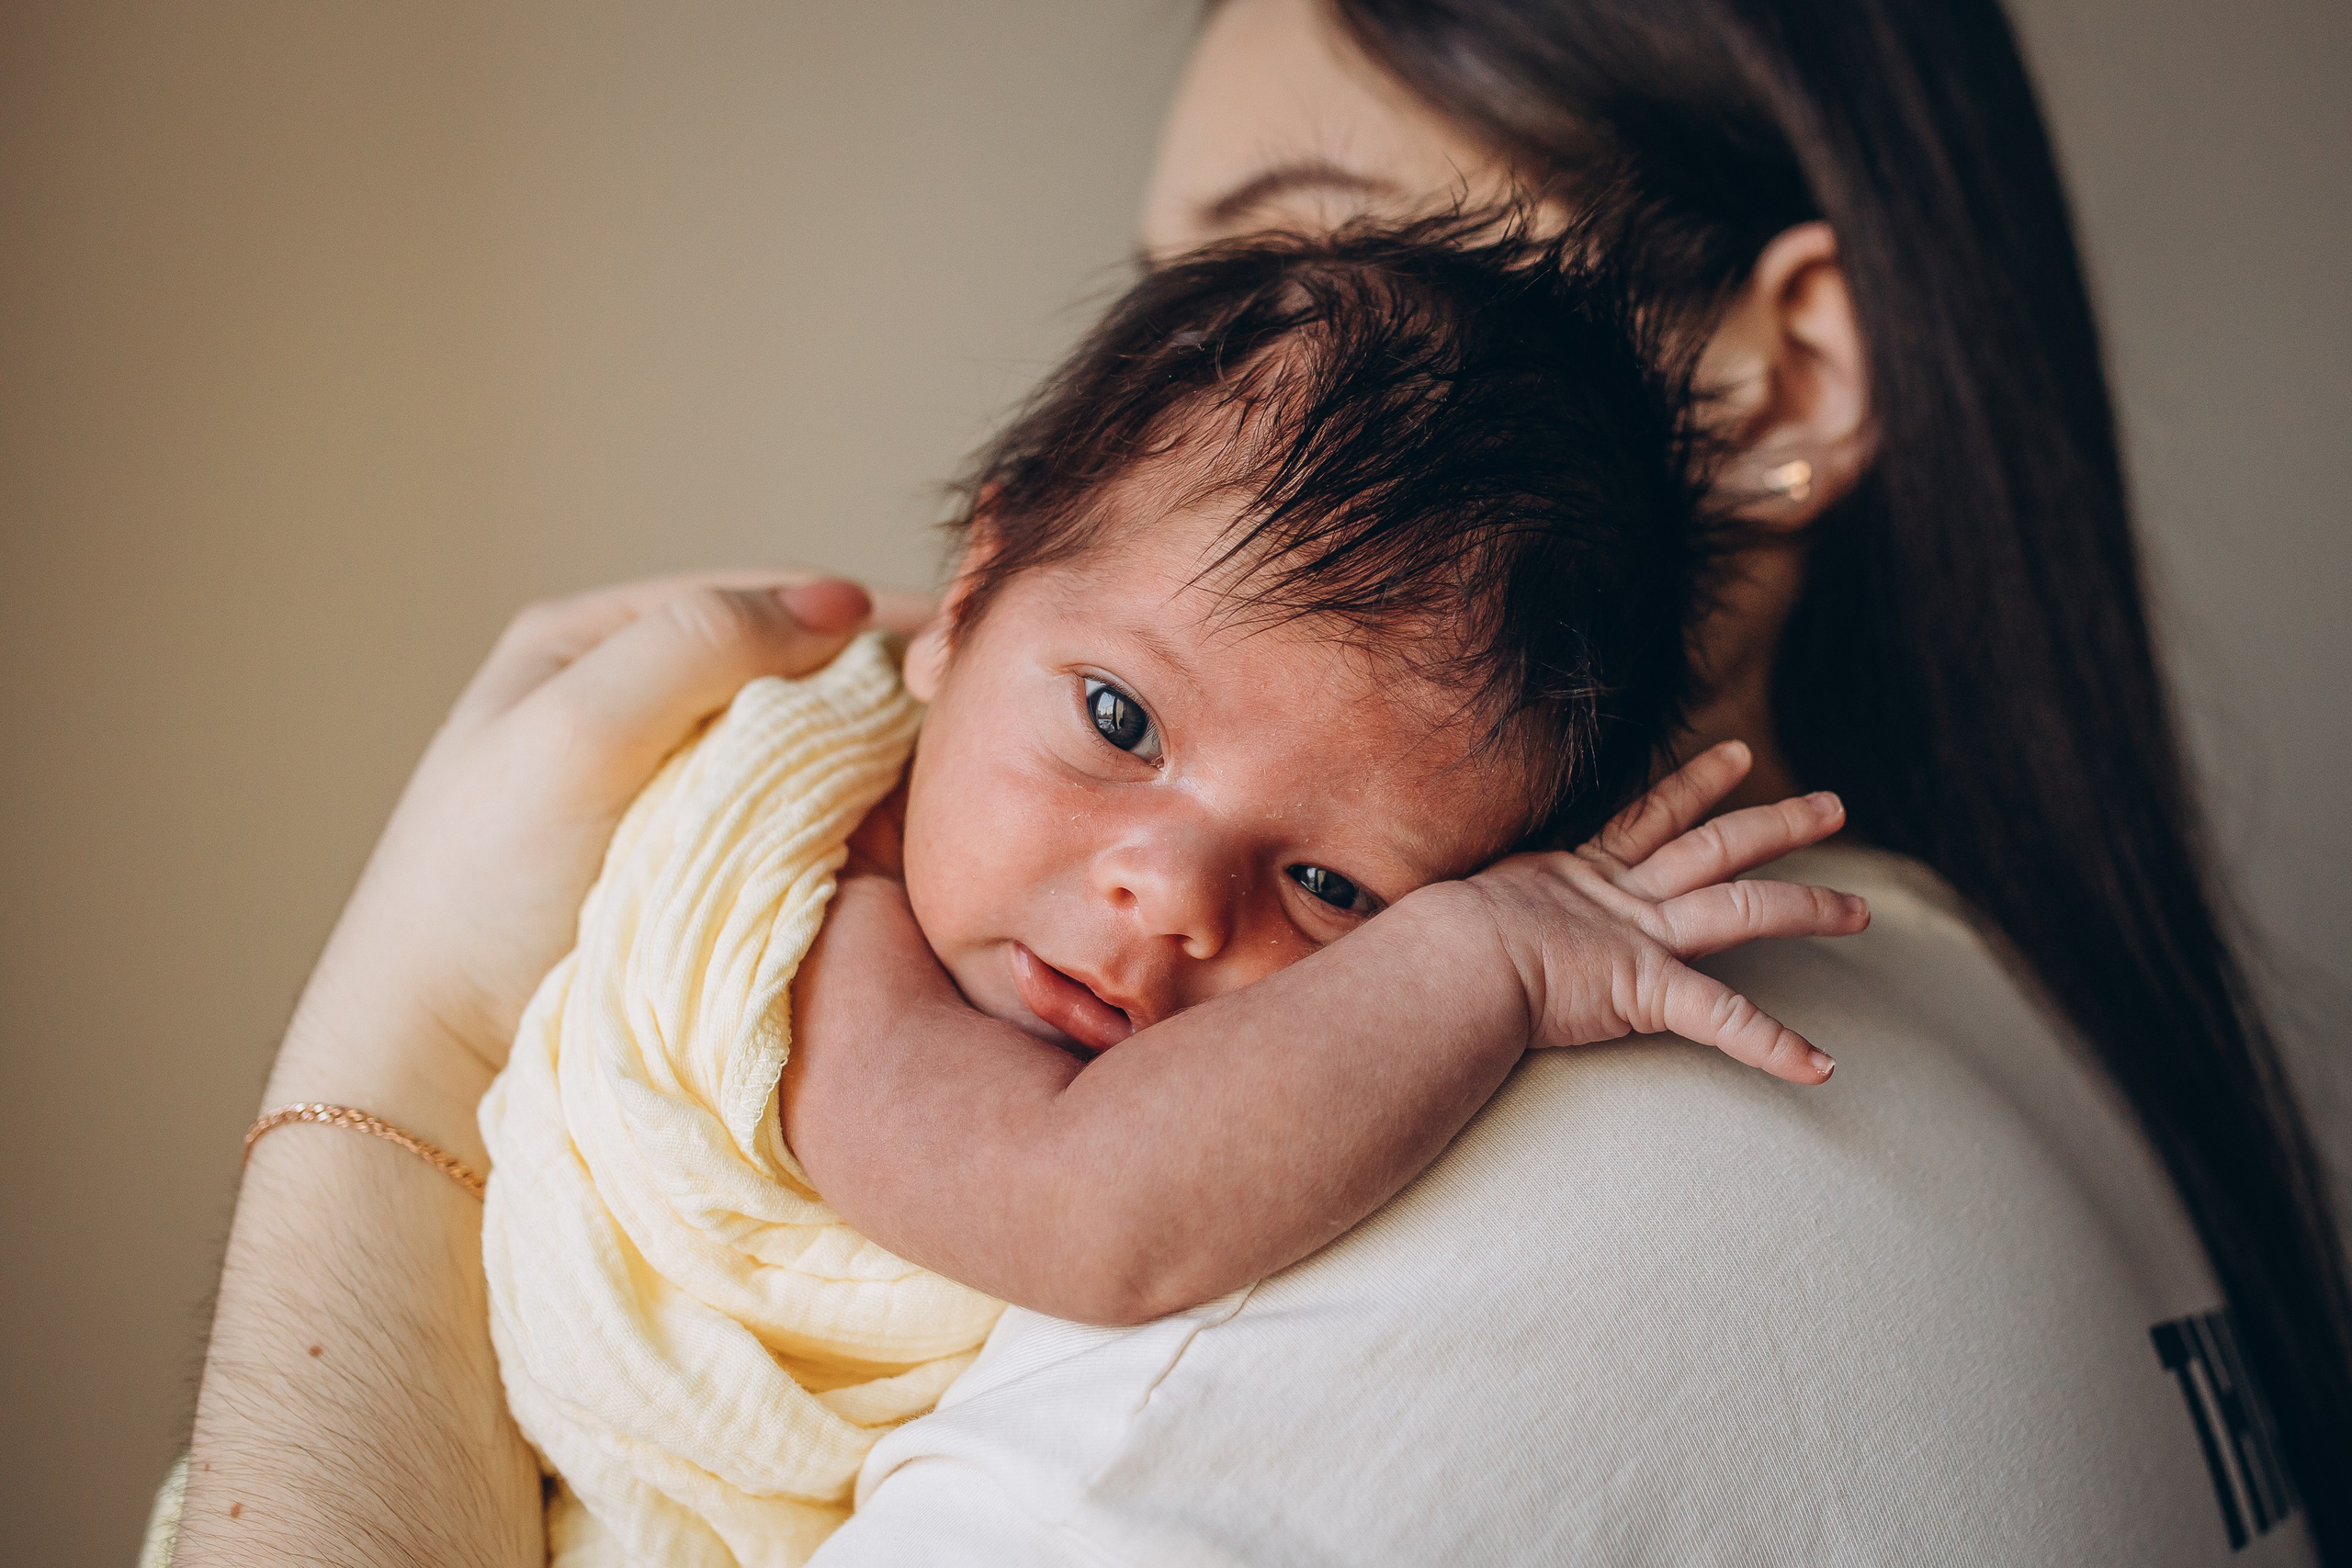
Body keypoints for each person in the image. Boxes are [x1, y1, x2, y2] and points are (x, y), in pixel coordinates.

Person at [174, 0, 2352, 1563]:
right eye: (1184, 301)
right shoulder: (2034, 1042)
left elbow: (1099, 1205)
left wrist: (391, 1068)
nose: (1157, 904)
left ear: (1774, 375)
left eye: (1299, 245)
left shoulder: (1435, 1247)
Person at [484, 223, 1867, 1566]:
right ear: (966, 601)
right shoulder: (813, 908)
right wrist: (1484, 960)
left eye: (1332, 885)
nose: (1171, 899)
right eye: (1118, 719)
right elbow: (1083, 1207)